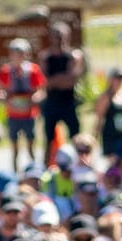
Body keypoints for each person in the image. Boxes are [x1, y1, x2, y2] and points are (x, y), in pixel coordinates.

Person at [0, 40, 44, 174]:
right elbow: (1, 90)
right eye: (15, 54)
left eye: (21, 54)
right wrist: (2, 96)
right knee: (14, 149)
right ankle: (15, 173)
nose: (17, 57)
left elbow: (40, 90)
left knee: (30, 147)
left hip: (28, 114)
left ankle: (35, 172)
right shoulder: (5, 70)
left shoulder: (33, 70)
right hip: (13, 114)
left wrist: (36, 97)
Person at [40, 21, 87, 152]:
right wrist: (62, 78)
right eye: (56, 36)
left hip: (69, 102)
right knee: (49, 139)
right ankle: (47, 161)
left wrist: (55, 80)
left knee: (75, 136)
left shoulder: (74, 56)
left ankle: (77, 160)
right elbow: (45, 82)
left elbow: (72, 80)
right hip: (51, 102)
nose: (58, 39)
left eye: (61, 36)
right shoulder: (45, 57)